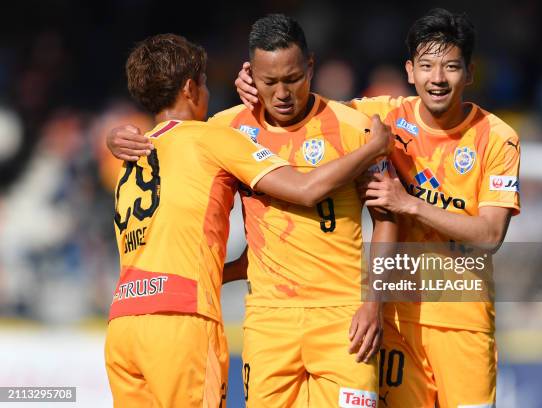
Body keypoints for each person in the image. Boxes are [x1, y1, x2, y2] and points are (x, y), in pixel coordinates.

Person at [235, 8, 520, 408]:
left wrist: (410, 205)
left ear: (469, 73)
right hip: (394, 319)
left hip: (461, 316)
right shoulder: (381, 115)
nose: (437, 79)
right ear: (409, 71)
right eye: (426, 66)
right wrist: (252, 86)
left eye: (451, 67)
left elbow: (490, 235)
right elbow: (305, 106)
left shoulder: (498, 138)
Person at [105, 33, 393, 408]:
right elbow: (305, 189)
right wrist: (373, 148)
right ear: (191, 88)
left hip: (124, 319)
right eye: (207, 83)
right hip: (182, 321)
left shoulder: (133, 155)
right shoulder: (215, 138)